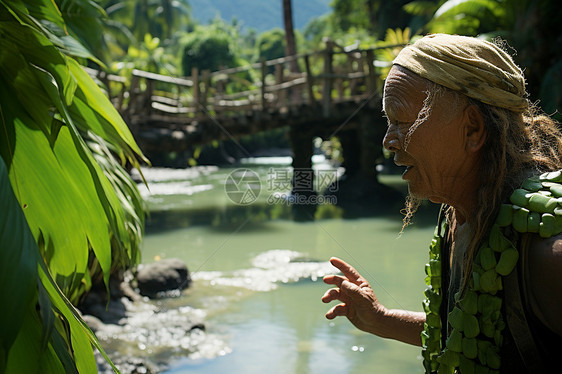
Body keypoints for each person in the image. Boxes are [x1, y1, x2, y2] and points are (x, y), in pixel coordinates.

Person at [321, 34, 562, 373]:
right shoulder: (458, 215)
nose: (388, 141)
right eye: (388, 123)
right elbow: (472, 336)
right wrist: (381, 319)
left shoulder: (545, 253)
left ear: (472, 129)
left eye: (403, 121)